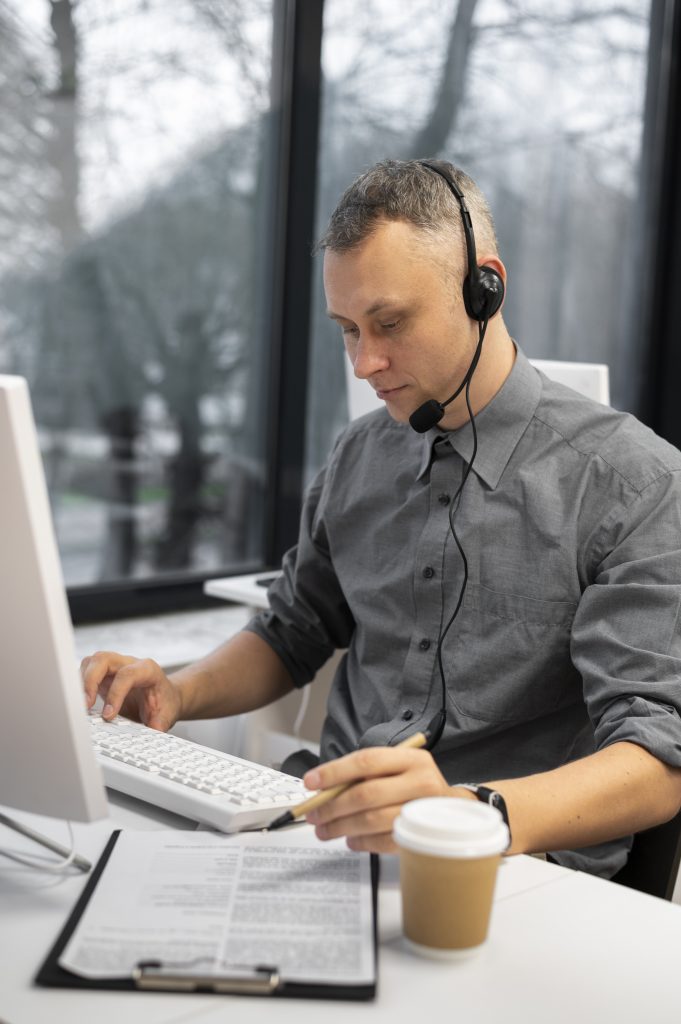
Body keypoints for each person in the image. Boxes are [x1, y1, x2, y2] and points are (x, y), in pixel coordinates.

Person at [82, 159, 681, 878]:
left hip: (506, 861)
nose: (365, 363)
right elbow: (291, 632)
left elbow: (657, 758)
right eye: (346, 329)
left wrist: (467, 811)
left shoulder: (632, 481)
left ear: (482, 289)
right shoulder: (359, 454)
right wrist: (178, 691)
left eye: (389, 323)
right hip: (325, 832)